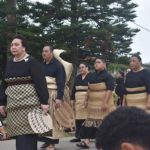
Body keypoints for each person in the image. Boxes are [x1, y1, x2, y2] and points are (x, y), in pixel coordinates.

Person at [0, 35, 49, 150]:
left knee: (27, 137)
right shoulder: (9, 63)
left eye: (16, 45)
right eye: (12, 45)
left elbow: (40, 82)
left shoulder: (32, 62)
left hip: (29, 106)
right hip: (13, 107)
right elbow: (4, 83)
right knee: (19, 137)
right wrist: (1, 102)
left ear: (24, 48)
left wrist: (44, 101)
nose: (13, 47)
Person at [78, 56, 115, 149]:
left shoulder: (108, 76)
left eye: (98, 62)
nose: (96, 64)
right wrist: (86, 100)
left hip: (103, 104)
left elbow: (110, 90)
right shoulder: (92, 75)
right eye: (95, 63)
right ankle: (86, 142)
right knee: (89, 123)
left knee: (104, 125)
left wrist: (105, 103)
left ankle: (105, 144)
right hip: (93, 105)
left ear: (104, 64)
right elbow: (89, 89)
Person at [39, 46, 70, 150]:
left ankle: (52, 143)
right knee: (44, 119)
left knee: (53, 119)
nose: (44, 53)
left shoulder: (58, 66)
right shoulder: (41, 65)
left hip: (53, 94)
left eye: (46, 51)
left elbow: (61, 83)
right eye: (43, 51)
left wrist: (59, 98)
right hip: (43, 94)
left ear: (51, 53)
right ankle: (46, 141)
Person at [70, 62, 92, 146]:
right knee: (78, 118)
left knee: (86, 119)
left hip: (88, 100)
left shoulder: (92, 76)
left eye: (83, 67)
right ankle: (78, 136)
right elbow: (73, 89)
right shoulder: (77, 77)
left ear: (87, 68)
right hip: (78, 100)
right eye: (80, 67)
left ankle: (87, 137)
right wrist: (72, 99)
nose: (81, 69)